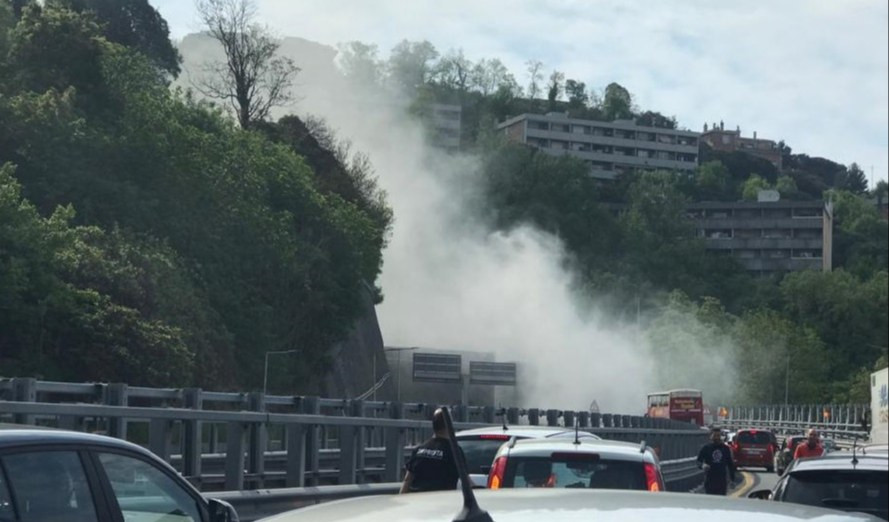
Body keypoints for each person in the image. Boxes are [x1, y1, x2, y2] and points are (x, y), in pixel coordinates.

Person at [400, 408, 461, 493]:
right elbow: (466, 481)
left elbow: (407, 480)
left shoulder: (419, 449)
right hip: (441, 502)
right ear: (449, 425)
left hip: (417, 502)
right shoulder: (454, 451)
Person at [697, 426, 737, 495]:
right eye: (715, 436)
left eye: (718, 435)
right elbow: (698, 461)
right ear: (711, 436)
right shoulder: (706, 448)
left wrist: (732, 480)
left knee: (721, 500)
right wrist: (703, 466)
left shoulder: (725, 449)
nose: (717, 438)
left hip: (721, 481)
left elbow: (730, 465)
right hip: (710, 479)